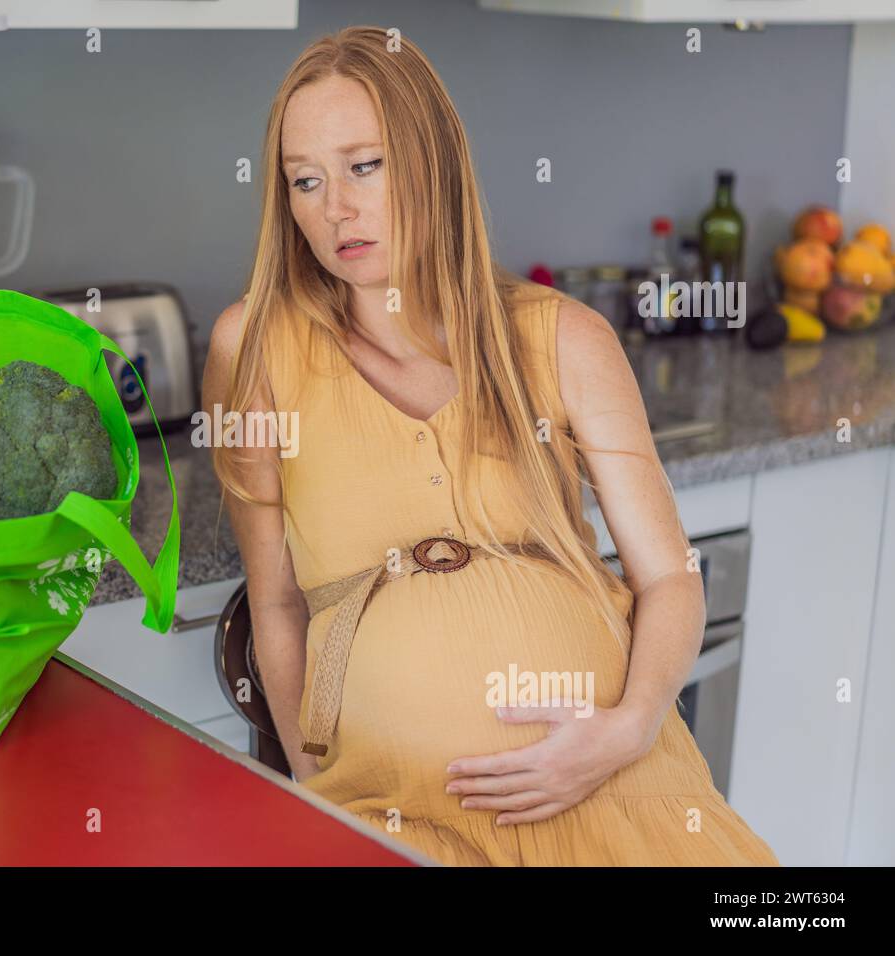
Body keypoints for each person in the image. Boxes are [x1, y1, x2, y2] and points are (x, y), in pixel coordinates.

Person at [200, 25, 778, 866]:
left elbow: (669, 579)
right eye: (306, 181)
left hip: (619, 790)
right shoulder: (254, 349)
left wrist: (629, 727)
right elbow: (278, 604)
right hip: (397, 817)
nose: (337, 210)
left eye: (366, 166)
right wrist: (316, 802)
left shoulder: (561, 339)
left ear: (431, 157)